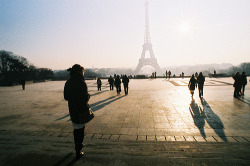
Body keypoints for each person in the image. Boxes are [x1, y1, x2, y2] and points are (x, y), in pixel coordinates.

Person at [64, 64, 90, 159]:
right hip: (81, 109)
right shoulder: (81, 82)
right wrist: (88, 96)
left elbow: (66, 97)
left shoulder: (68, 82)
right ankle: (78, 150)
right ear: (79, 72)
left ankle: (78, 146)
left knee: (76, 128)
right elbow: (85, 98)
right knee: (81, 129)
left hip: (72, 108)